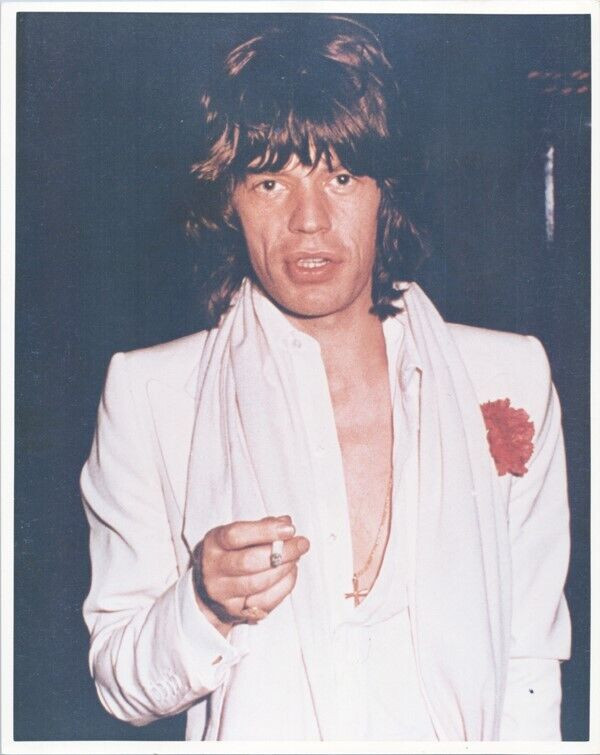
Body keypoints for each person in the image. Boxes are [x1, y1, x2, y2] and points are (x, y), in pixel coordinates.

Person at [80, 15, 571, 741]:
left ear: (386, 190)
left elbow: (529, 662)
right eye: (270, 181)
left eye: (341, 177)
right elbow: (119, 684)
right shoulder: (150, 395)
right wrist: (204, 603)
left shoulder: (509, 375)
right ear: (229, 201)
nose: (308, 220)